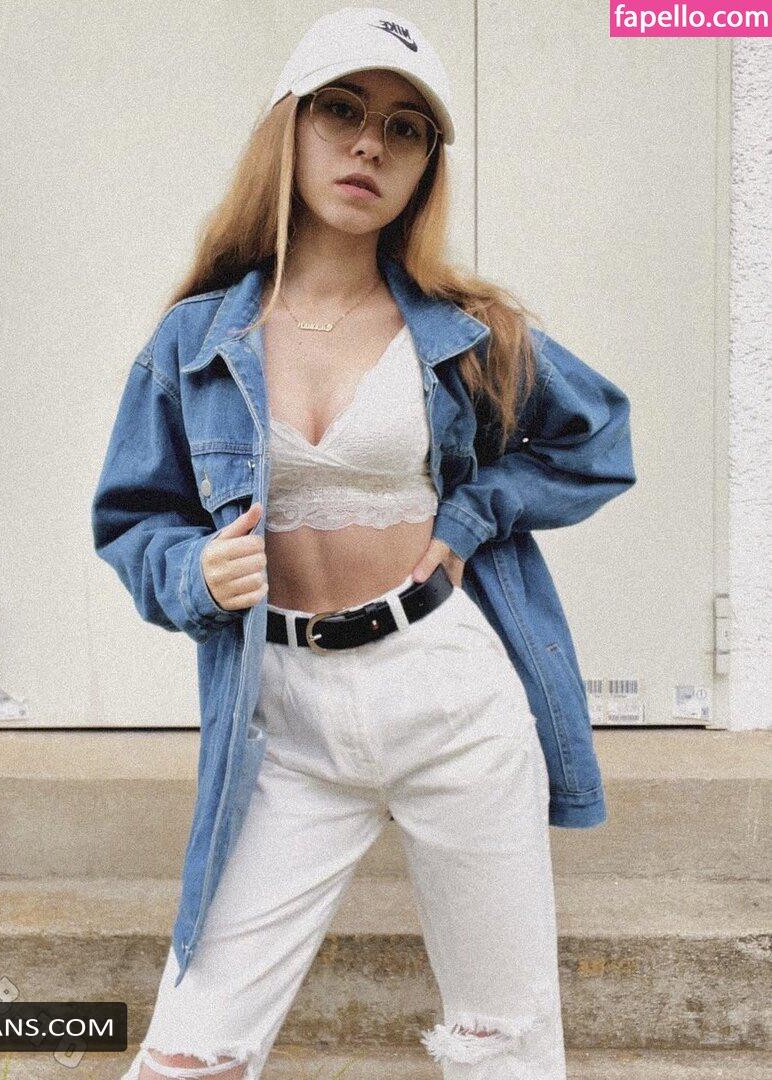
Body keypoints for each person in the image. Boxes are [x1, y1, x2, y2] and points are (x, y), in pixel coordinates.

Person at [91, 8, 637, 1079]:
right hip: (281, 721)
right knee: (189, 1054)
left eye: (405, 127)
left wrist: (471, 518)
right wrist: (191, 572)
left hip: (450, 696)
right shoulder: (197, 339)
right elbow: (132, 517)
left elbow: (597, 442)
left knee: (504, 1044)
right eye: (341, 109)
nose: (368, 145)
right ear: (288, 128)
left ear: (426, 165)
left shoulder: (469, 328)